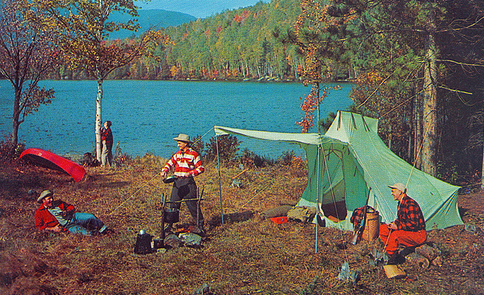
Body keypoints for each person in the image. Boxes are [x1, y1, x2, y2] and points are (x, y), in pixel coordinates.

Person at [160, 134, 205, 234]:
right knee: (173, 204)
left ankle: (200, 225)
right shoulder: (178, 154)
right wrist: (164, 171)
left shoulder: (194, 154)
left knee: (192, 205)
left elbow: (201, 168)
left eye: (179, 143)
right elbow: (169, 163)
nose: (178, 145)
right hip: (177, 182)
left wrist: (190, 174)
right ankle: (170, 225)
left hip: (188, 183)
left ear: (186, 143)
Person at [379, 183, 427, 264]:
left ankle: (389, 259)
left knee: (395, 235)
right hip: (409, 231)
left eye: (393, 191)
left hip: (419, 234)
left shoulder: (410, 204)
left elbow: (414, 224)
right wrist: (393, 224)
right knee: (383, 229)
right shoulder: (401, 203)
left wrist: (397, 227)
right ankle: (391, 252)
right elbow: (402, 219)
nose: (391, 193)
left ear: (400, 192)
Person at [34, 190, 111, 236]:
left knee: (90, 217)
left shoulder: (58, 203)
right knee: (87, 234)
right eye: (49, 199)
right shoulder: (39, 212)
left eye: (52, 198)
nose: (51, 200)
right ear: (43, 200)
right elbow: (38, 227)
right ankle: (97, 233)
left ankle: (105, 230)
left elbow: (71, 207)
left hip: (73, 217)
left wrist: (67, 211)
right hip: (67, 226)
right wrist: (53, 229)